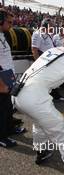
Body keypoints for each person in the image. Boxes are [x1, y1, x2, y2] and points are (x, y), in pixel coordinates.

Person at [14, 34, 64, 175]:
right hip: (35, 98)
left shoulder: (51, 50)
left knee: (39, 124)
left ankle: (41, 152)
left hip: (18, 94)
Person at [0, 8, 25, 148]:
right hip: (1, 77)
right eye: (8, 22)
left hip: (7, 75)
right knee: (1, 108)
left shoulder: (3, 34)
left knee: (8, 106)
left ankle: (8, 129)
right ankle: (1, 136)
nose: (11, 25)